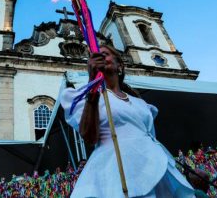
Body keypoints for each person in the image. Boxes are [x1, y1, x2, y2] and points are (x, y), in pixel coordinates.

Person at [60, 45, 195, 197]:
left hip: (151, 165)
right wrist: (93, 86)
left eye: (106, 54)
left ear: (120, 65)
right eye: (98, 56)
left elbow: (152, 138)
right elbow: (89, 137)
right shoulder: (92, 98)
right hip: (114, 168)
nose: (101, 57)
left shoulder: (141, 104)